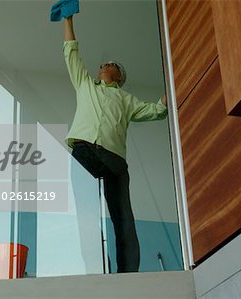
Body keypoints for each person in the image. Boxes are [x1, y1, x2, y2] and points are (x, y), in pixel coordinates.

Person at [62, 15, 168, 273]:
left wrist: (178, 82)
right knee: (86, 215)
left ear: (119, 76)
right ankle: (95, 269)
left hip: (114, 159)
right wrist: (68, 19)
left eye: (109, 64)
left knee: (123, 217)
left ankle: (129, 272)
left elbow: (158, 110)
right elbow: (71, 53)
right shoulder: (85, 85)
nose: (103, 65)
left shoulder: (127, 99)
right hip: (84, 152)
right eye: (102, 64)